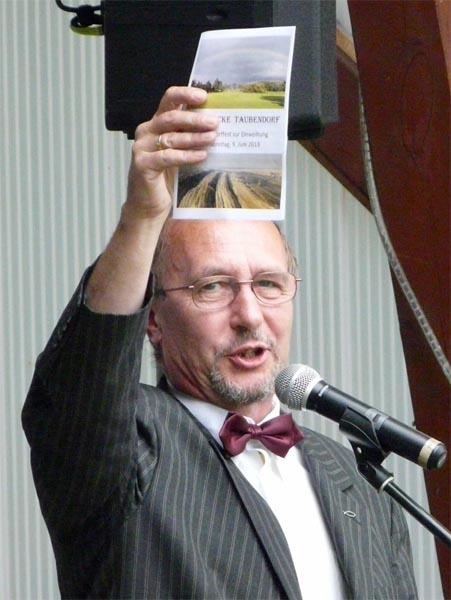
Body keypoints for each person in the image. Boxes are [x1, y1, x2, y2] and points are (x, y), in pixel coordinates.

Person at [23, 87, 417, 600]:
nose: (249, 315)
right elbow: (81, 391)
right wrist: (142, 218)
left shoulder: (358, 480)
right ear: (153, 319)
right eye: (212, 287)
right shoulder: (127, 449)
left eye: (269, 284)